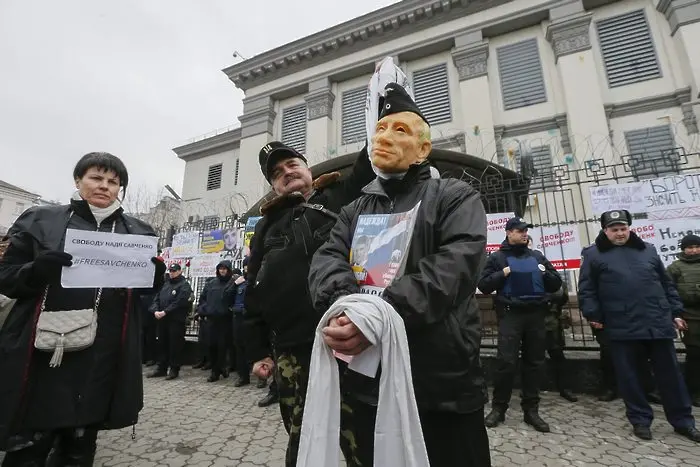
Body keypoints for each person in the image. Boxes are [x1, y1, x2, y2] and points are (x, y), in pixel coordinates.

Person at [308, 82, 491, 467]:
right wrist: (349, 312)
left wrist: (376, 317)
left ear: (423, 149)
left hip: (440, 382)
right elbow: (327, 260)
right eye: (379, 130)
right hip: (367, 380)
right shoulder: (355, 209)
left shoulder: (455, 196)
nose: (383, 138)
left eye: (400, 130)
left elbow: (454, 266)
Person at [0, 152, 166, 466]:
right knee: (29, 449)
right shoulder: (40, 220)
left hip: (101, 357)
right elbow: (7, 278)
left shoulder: (138, 232)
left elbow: (135, 296)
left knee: (79, 448)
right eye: (96, 178)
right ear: (78, 181)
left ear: (120, 189)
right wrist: (36, 271)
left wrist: (151, 280)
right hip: (45, 355)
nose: (104, 186)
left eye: (113, 181)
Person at [245, 135, 374, 466]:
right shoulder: (265, 228)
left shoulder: (342, 195)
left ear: (307, 169)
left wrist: (384, 102)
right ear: (274, 186)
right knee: (304, 445)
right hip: (292, 353)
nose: (286, 172)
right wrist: (259, 350)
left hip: (350, 342)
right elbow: (253, 290)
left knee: (363, 443)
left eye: (292, 164)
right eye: (277, 172)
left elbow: (372, 157)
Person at [578, 209, 700, 442]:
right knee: (630, 378)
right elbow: (587, 290)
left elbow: (666, 284)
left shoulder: (648, 250)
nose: (620, 233)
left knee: (671, 376)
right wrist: (594, 315)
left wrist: (675, 311)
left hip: (657, 322)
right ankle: (641, 420)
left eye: (623, 228)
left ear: (629, 228)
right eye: (615, 230)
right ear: (605, 231)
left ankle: (683, 422)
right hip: (621, 325)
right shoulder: (594, 255)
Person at [478, 217, 562, 432]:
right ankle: (499, 409)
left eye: (526, 231)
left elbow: (555, 283)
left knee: (534, 363)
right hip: (510, 315)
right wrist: (503, 273)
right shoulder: (497, 257)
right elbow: (484, 285)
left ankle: (531, 411)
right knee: (506, 363)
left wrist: (544, 272)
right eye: (519, 230)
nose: (524, 234)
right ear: (508, 233)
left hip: (535, 315)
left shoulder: (537, 256)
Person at [667, 233, 700, 408]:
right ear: (683, 249)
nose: (694, 250)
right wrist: (676, 315)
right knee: (695, 356)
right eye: (690, 247)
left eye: (696, 247)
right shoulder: (675, 268)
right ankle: (694, 391)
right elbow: (669, 291)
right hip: (690, 317)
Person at [147, 263, 193, 380]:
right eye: (171, 271)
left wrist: (165, 312)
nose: (172, 273)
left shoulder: (184, 285)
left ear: (179, 271)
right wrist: (155, 311)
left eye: (174, 271)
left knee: (175, 345)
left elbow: (179, 302)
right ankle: (161, 368)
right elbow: (157, 299)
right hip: (163, 320)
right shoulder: (166, 284)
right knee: (162, 344)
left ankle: (174, 368)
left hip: (175, 320)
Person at [197, 260, 236, 382]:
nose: (222, 271)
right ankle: (216, 368)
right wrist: (203, 309)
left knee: (223, 347)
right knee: (212, 345)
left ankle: (218, 369)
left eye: (225, 269)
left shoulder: (232, 283)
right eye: (220, 268)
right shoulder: (211, 283)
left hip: (225, 320)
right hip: (211, 319)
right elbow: (202, 298)